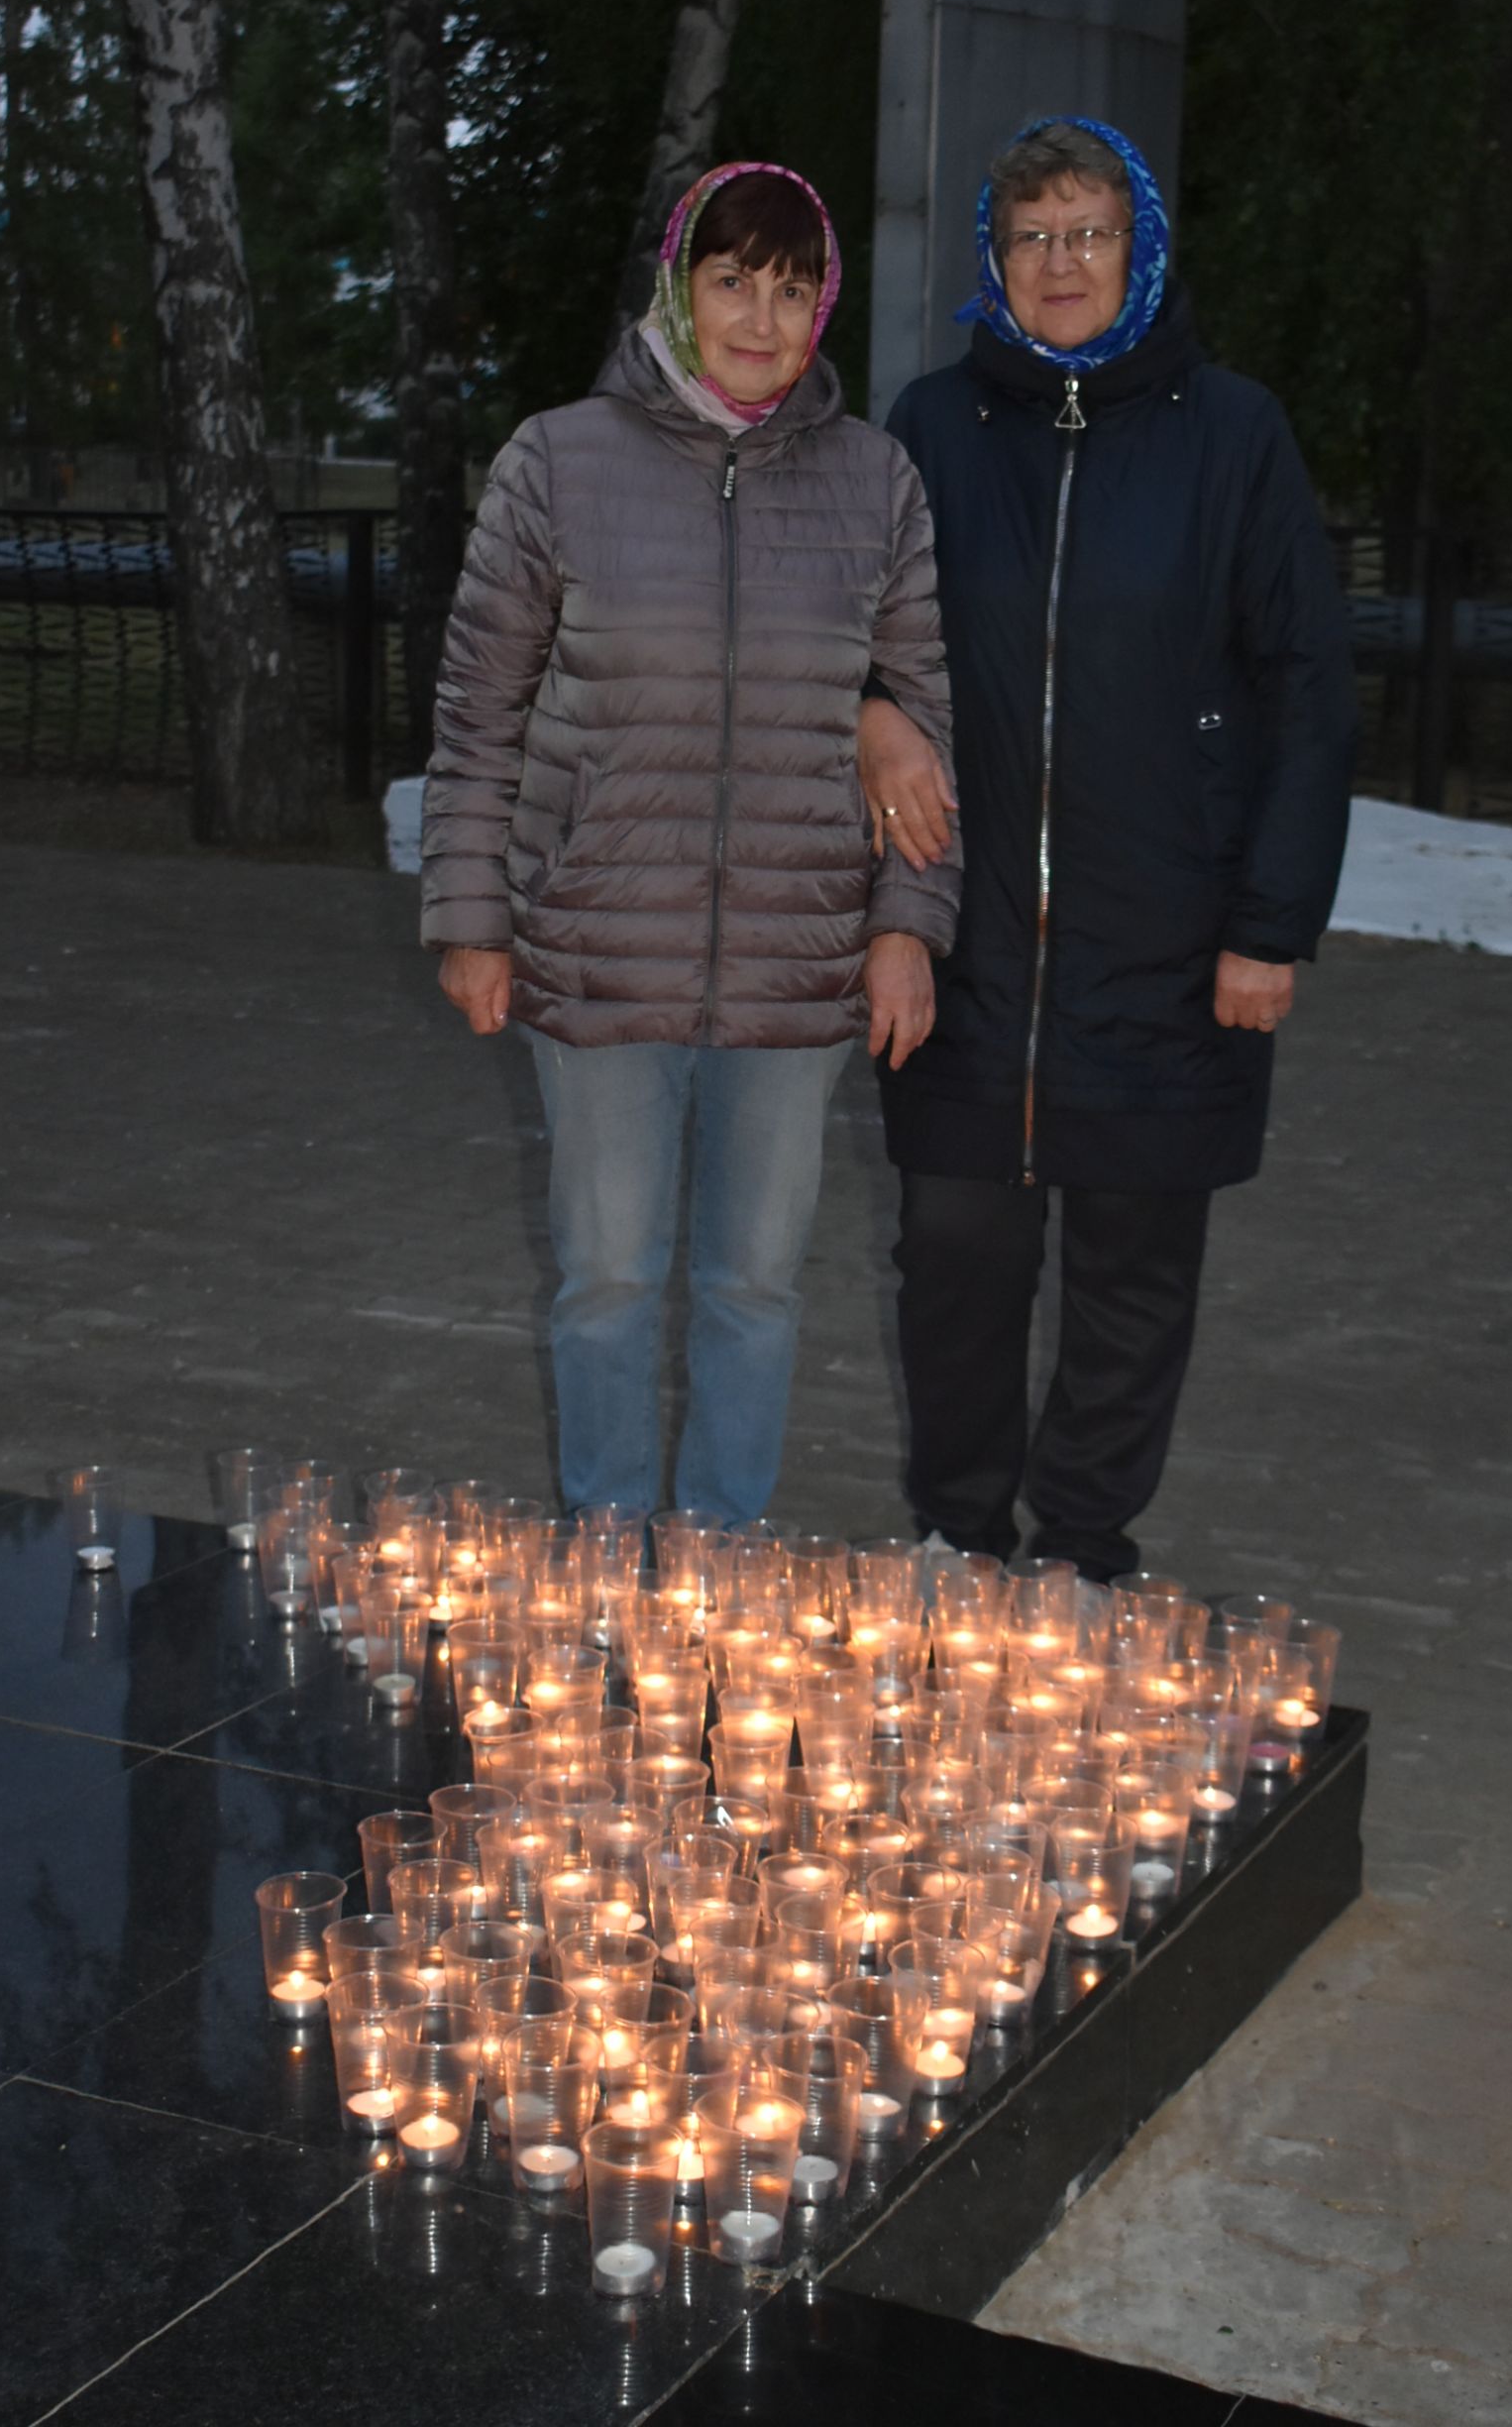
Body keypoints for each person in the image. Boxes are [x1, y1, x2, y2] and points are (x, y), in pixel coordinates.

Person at [421, 162, 960, 1525]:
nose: (762, 319)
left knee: (756, 1285)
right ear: (681, 286)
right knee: (606, 1279)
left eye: (793, 290)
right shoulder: (558, 462)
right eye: (734, 281)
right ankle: (606, 1551)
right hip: (597, 953)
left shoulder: (876, 481)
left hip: (797, 963)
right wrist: (472, 917)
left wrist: (908, 927)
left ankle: (722, 1557)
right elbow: (478, 711)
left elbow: (920, 718)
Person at [858, 115, 1357, 1582]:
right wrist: (874, 720)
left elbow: (1308, 687)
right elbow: (864, 628)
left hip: (1168, 942)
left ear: (1137, 252)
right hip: (970, 938)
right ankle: (959, 1535)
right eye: (1030, 237)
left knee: (1135, 1272)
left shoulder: (1234, 432)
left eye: (1089, 233)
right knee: (956, 1257)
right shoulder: (935, 427)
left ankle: (1081, 1552)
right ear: (991, 263)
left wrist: (1272, 924)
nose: (1059, 262)